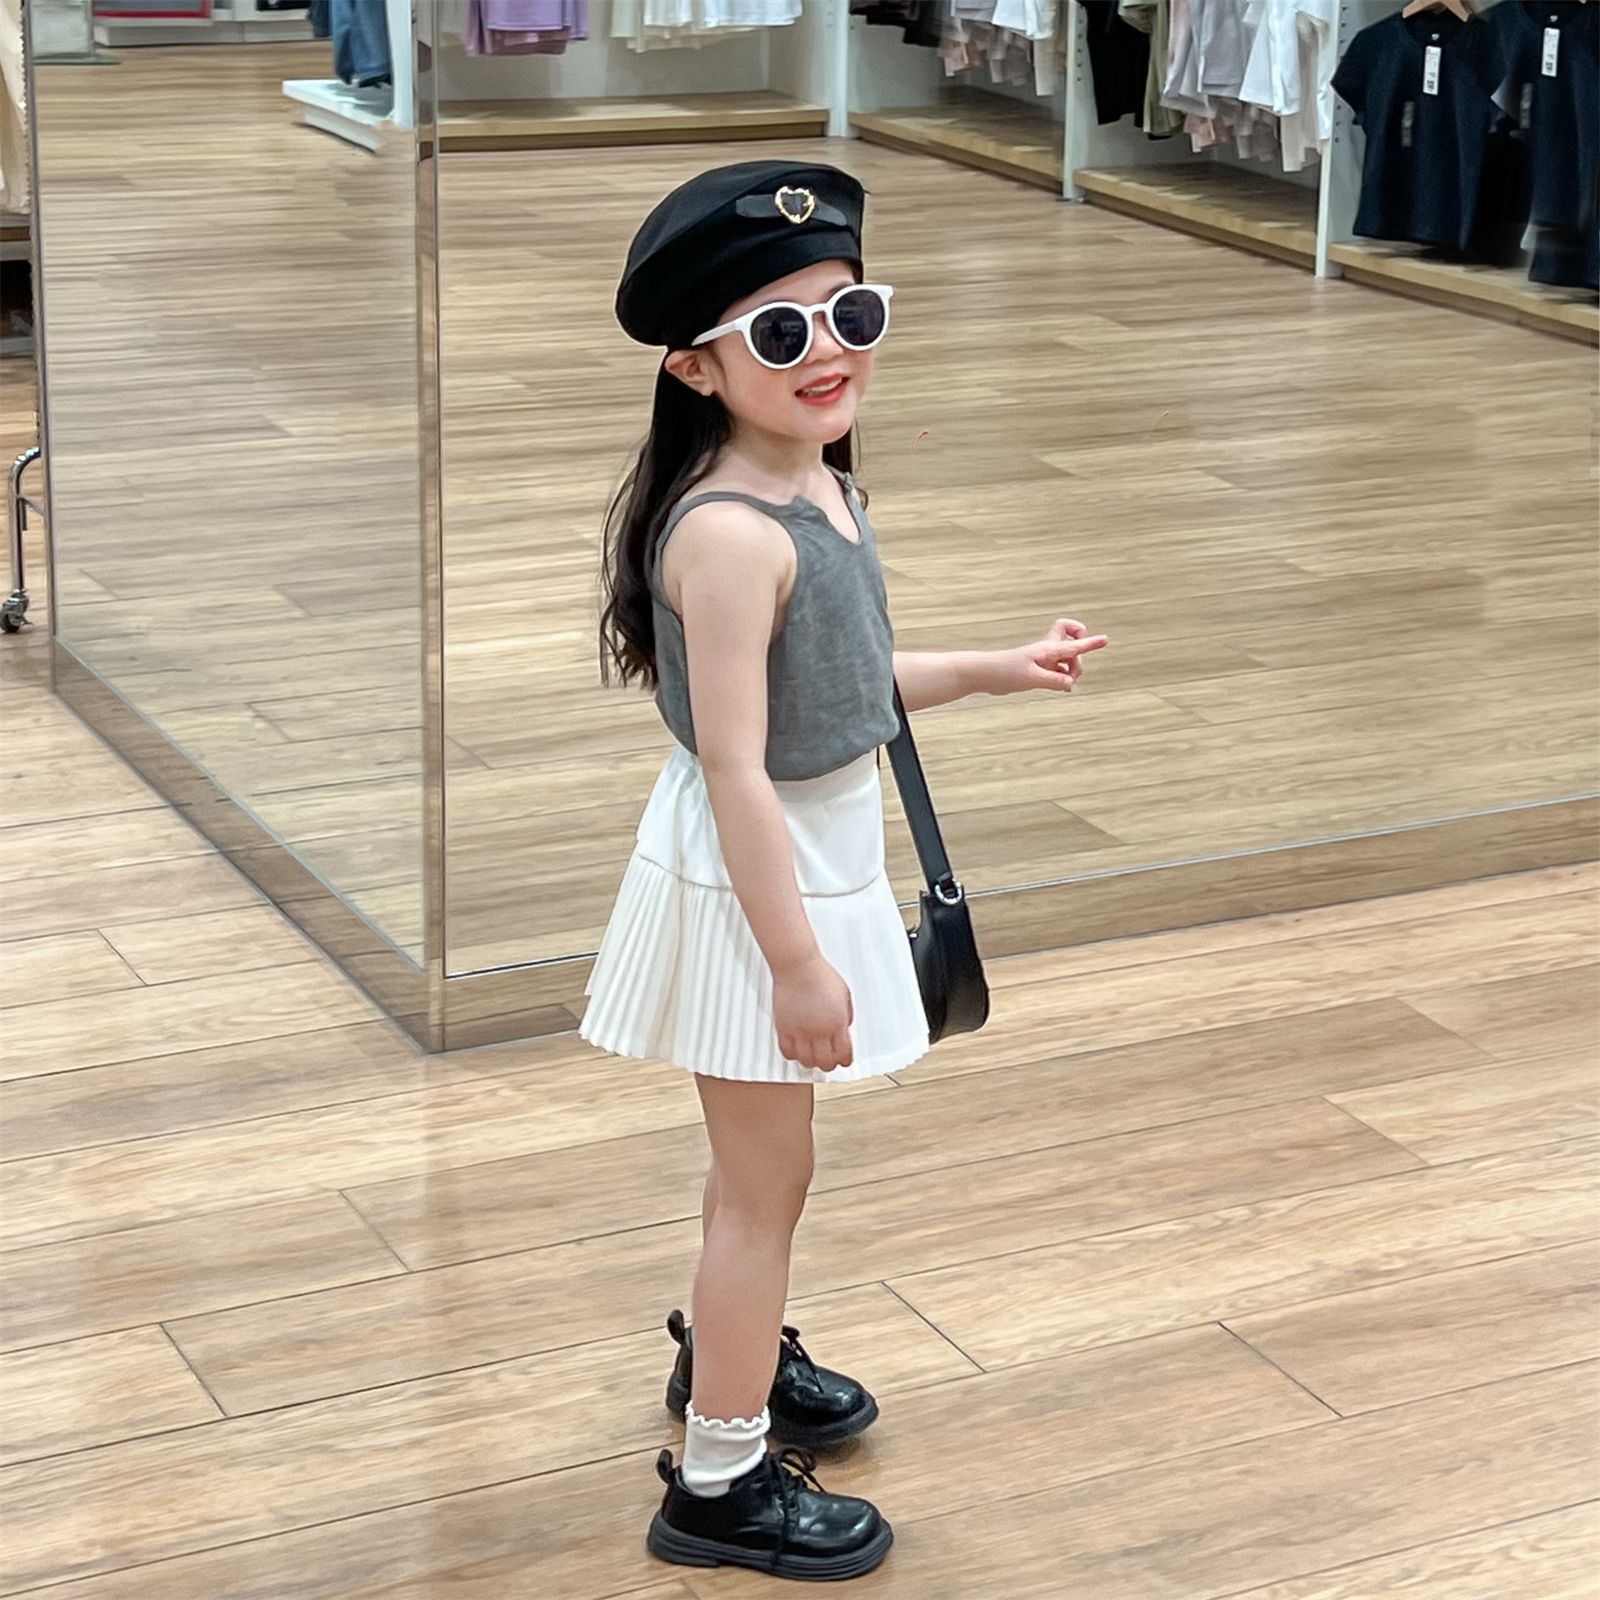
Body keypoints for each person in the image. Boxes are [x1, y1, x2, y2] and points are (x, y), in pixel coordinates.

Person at [584, 159, 1109, 1582]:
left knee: (758, 1172)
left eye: (851, 314)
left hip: (803, 848)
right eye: (780, 332)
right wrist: (797, 965)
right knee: (767, 1186)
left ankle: (730, 1352)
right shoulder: (729, 537)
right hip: (759, 879)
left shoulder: (817, 487)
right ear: (695, 367)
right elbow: (740, 770)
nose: (829, 353)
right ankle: (719, 1478)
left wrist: (994, 667)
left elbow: (844, 681)